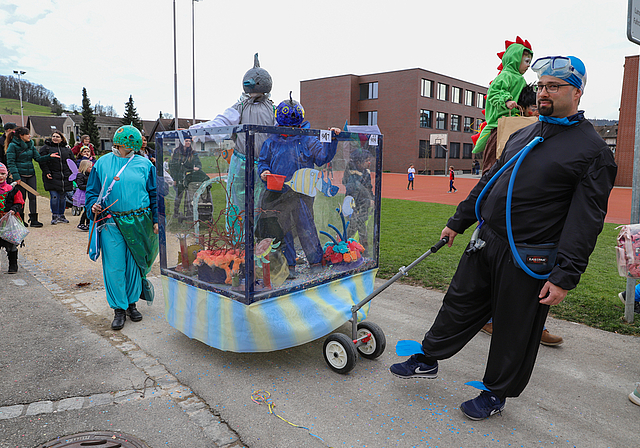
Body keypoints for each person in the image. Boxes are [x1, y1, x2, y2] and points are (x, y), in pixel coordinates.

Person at [390, 55, 617, 420]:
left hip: (529, 254)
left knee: (514, 328)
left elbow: (586, 220)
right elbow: (488, 183)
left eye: (553, 86)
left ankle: (496, 393)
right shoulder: (525, 134)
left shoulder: (592, 151)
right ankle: (428, 357)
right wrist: (458, 221)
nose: (543, 92)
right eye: (541, 85)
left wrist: (565, 276)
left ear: (576, 92)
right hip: (486, 241)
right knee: (458, 304)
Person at [85, 125, 158, 331]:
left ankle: (132, 304)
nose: (128, 148)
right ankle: (119, 308)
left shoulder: (145, 164)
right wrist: (93, 205)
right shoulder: (102, 163)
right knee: (115, 266)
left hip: (139, 221)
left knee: (135, 264)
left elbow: (154, 193)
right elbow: (92, 192)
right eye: (127, 145)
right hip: (111, 221)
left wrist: (156, 219)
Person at [258, 95, 340, 276]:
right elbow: (263, 161)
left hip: (302, 194)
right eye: (287, 126)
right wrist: (263, 171)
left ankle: (315, 262)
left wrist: (331, 139)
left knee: (306, 227)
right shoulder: (271, 141)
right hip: (279, 193)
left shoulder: (307, 139)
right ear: (280, 122)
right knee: (284, 229)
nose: (291, 130)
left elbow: (322, 157)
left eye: (293, 127)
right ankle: (290, 265)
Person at [189, 53, 276, 218]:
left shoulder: (273, 110)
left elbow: (283, 132)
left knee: (265, 208)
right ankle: (239, 242)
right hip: (242, 164)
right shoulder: (240, 107)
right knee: (238, 208)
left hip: (266, 166)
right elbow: (220, 123)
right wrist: (196, 129)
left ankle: (260, 241)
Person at [472, 37, 533, 175]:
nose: (528, 65)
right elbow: (494, 93)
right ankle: (486, 190)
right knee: (493, 164)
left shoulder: (521, 80)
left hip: (514, 124)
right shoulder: (505, 75)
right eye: (526, 61)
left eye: (530, 62)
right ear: (515, 59)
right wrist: (506, 101)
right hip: (498, 126)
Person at [6, 126, 59, 228]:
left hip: (31, 174)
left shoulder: (31, 144)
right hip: (20, 176)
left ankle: (34, 219)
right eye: (28, 134)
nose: (30, 136)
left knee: (33, 196)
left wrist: (49, 156)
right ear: (21, 136)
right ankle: (20, 220)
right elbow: (11, 162)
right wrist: (16, 177)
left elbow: (38, 158)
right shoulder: (12, 146)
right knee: (21, 198)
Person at [39, 131, 75, 225]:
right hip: (52, 175)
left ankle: (61, 215)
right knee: (54, 196)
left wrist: (71, 173)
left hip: (64, 176)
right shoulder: (46, 148)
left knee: (63, 197)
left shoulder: (67, 150)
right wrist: (47, 171)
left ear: (62, 138)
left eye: (57, 136)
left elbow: (72, 162)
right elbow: (42, 161)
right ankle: (55, 215)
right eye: (53, 136)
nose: (55, 138)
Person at [344, 150, 374, 254]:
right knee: (352, 228)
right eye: (366, 160)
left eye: (369, 160)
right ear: (359, 163)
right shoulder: (352, 175)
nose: (369, 162)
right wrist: (367, 202)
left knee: (362, 229)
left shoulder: (365, 173)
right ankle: (342, 247)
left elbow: (368, 189)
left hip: (362, 207)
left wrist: (373, 199)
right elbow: (354, 195)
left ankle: (363, 250)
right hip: (353, 207)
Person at [168, 137, 202, 219]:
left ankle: (190, 212)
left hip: (189, 177)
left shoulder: (192, 153)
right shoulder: (177, 152)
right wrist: (174, 179)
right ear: (182, 142)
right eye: (186, 141)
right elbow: (172, 166)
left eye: (189, 141)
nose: (188, 143)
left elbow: (198, 163)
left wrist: (197, 167)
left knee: (190, 195)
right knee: (179, 196)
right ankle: (175, 213)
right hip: (179, 177)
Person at [0, 162, 24, 273]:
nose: (0, 176)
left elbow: (19, 202)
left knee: (11, 244)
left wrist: (14, 210)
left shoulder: (12, 189)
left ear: (6, 175)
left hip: (9, 220)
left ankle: (13, 265)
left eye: (2, 173)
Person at [74, 160, 92, 231]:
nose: (91, 168)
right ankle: (81, 223)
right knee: (87, 209)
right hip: (83, 194)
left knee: (88, 209)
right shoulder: (80, 175)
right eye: (90, 167)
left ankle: (88, 223)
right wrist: (89, 186)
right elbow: (80, 185)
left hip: (88, 193)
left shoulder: (90, 175)